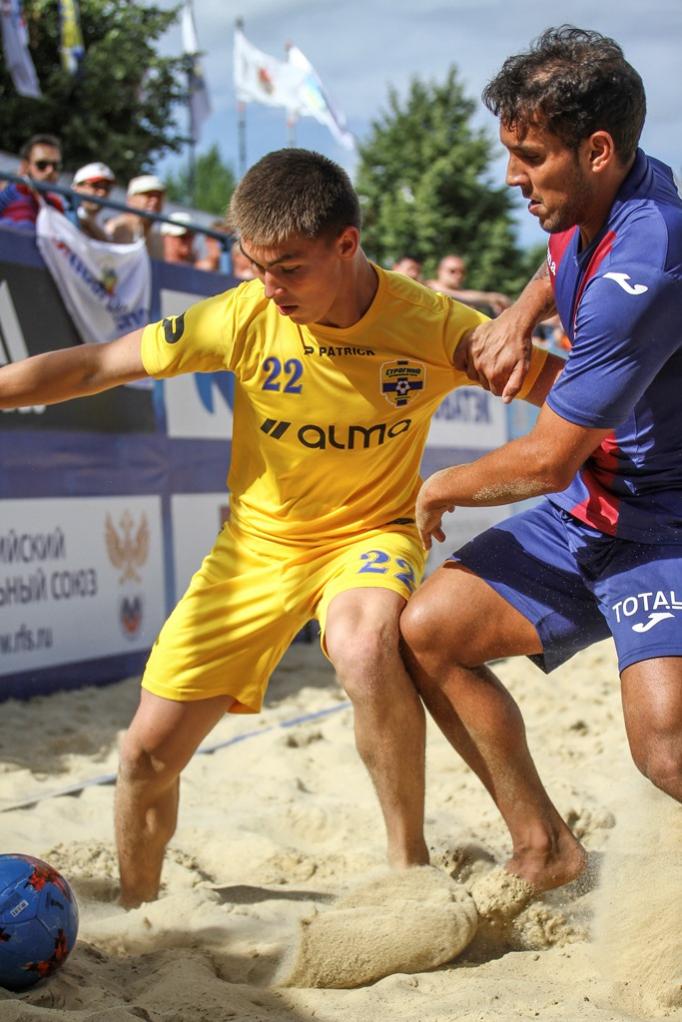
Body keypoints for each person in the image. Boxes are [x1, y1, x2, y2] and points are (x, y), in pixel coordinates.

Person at [0, 148, 557, 908]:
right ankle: (140, 912)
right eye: (255, 266)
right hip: (254, 550)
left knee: (364, 647)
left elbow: (574, 403)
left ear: (347, 244)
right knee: (143, 757)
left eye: (289, 268)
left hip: (370, 535)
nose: (270, 286)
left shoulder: (432, 323)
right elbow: (97, 365)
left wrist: (469, 481)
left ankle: (409, 874)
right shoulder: (243, 315)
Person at [400, 25, 682, 895]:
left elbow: (551, 459)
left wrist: (441, 486)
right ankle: (547, 848)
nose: (511, 176)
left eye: (529, 157)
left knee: (666, 751)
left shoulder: (649, 259)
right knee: (429, 632)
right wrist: (524, 310)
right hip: (597, 502)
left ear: (596, 150)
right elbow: (558, 256)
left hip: (664, 524)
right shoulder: (602, 195)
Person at [0, 134, 65, 227]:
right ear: (25, 166)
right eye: (42, 165)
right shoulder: (8, 192)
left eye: (55, 166)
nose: (50, 171)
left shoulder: (56, 204)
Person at [427, 253, 511, 316]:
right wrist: (490, 298)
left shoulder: (465, 297)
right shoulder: (427, 287)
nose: (458, 275)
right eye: (452, 271)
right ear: (439, 271)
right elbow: (446, 294)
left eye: (462, 272)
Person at [105, 173, 165, 258]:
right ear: (130, 199)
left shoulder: (157, 239)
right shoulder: (115, 228)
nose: (155, 201)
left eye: (158, 196)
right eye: (148, 195)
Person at [66, 161, 116, 241]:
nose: (102, 193)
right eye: (96, 186)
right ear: (77, 188)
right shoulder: (65, 216)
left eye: (107, 188)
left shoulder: (106, 225)